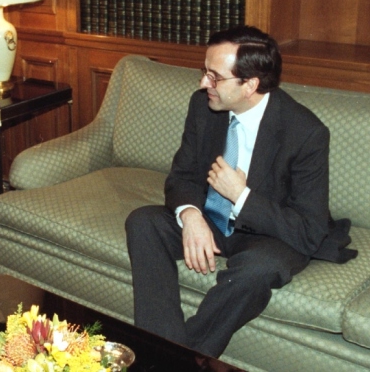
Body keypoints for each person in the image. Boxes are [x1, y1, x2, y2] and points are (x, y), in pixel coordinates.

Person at [125, 26, 356, 358]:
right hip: (212, 220)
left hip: (270, 234)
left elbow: (309, 230)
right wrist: (191, 216)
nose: (203, 83)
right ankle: (161, 347)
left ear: (250, 85)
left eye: (215, 77)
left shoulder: (306, 133)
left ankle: (174, 360)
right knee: (144, 222)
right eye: (205, 72)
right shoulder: (203, 106)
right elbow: (182, 176)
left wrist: (241, 195)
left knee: (259, 268)